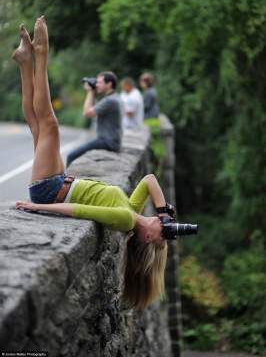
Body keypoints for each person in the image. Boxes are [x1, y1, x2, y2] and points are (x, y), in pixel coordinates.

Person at [12, 17, 176, 310]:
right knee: (38, 125)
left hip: (49, 190)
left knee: (49, 125)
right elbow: (149, 179)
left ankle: (41, 54)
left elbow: (78, 210)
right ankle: (25, 62)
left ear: (148, 238)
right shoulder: (133, 210)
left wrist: (37, 207)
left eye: (161, 235)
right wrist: (164, 211)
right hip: (58, 181)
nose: (162, 226)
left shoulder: (125, 221)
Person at [66, 70, 122, 167]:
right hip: (111, 140)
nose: (97, 85)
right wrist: (93, 92)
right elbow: (94, 109)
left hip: (108, 142)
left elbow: (87, 113)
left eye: (100, 82)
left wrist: (90, 92)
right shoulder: (114, 98)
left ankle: (65, 181)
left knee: (71, 156)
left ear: (109, 84)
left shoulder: (110, 100)